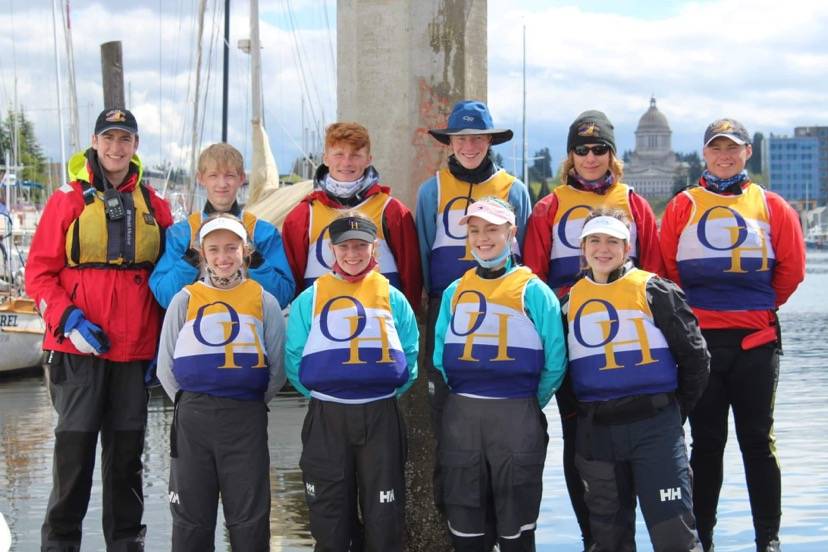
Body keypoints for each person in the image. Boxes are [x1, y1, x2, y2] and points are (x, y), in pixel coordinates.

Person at [25, 107, 173, 551]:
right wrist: (67, 318)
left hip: (134, 354)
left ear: (136, 146)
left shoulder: (156, 206)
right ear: (94, 142)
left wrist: (162, 344)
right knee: (73, 461)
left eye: (124, 139)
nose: (116, 147)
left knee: (127, 464)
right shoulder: (67, 200)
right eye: (108, 138)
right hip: (78, 351)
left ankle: (126, 545)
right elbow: (38, 274)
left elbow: (170, 278)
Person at [660, 119, 806, 552]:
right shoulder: (683, 205)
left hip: (756, 343)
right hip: (700, 346)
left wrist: (755, 306)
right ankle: (702, 538)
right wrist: (696, 320)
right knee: (706, 445)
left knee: (758, 442)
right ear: (704, 154)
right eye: (716, 148)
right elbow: (665, 272)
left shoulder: (772, 205)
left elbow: (792, 270)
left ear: (747, 152)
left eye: (733, 148)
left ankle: (768, 539)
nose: (724, 156)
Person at [522, 109, 663, 550]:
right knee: (578, 437)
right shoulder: (548, 207)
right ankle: (592, 537)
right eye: (581, 149)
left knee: (632, 435)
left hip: (629, 340)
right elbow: (533, 279)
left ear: (611, 154)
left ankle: (627, 534)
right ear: (570, 155)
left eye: (599, 148)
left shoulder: (634, 203)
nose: (590, 157)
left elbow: (656, 273)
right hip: (573, 337)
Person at [563, 208, 709, 552]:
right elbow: (562, 374)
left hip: (655, 428)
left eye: (612, 241)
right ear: (583, 248)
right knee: (609, 540)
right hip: (598, 434)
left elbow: (696, 359)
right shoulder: (567, 303)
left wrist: (673, 412)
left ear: (627, 247)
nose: (603, 249)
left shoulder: (655, 290)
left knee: (675, 537)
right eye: (594, 240)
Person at [416, 100, 532, 512]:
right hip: (449, 313)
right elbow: (423, 251)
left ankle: (504, 518)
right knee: (447, 417)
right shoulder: (431, 191)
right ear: (450, 143)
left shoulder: (514, 190)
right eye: (461, 138)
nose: (469, 146)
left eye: (478, 138)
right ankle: (456, 519)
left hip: (505, 313)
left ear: (489, 141)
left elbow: (525, 253)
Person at [432, 197, 566, 552]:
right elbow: (440, 358)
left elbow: (555, 362)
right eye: (475, 231)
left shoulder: (535, 292)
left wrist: (524, 402)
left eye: (492, 229)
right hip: (463, 418)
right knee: (466, 529)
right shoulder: (454, 292)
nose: (482, 238)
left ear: (511, 232)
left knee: (516, 530)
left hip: (517, 417)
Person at [284, 211, 419, 551]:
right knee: (330, 524)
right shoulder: (310, 299)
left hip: (380, 416)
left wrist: (376, 391)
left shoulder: (393, 297)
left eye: (360, 246)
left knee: (384, 522)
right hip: (327, 418)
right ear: (331, 249)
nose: (352, 254)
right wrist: (329, 394)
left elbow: (410, 356)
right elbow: (294, 360)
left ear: (375, 248)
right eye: (344, 246)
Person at [156, 214, 286, 551]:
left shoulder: (264, 301)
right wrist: (192, 403)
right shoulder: (184, 299)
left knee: (249, 521)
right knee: (191, 522)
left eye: (231, 248)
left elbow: (277, 368)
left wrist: (248, 401)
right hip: (193, 421)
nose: (223, 257)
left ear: (245, 252)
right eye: (214, 249)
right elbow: (165, 367)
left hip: (246, 419)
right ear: (202, 253)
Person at [282, 122, 422, 308]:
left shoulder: (392, 211)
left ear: (368, 159)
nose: (347, 162)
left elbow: (411, 275)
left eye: (355, 155)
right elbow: (293, 281)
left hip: (380, 318)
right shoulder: (302, 215)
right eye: (339, 154)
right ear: (325, 158)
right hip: (322, 319)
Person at [150, 142, 294, 310]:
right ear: (200, 178)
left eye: (229, 175)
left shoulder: (263, 233)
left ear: (242, 178)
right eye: (213, 175)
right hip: (198, 323)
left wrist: (253, 258)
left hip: (249, 323)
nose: (222, 183)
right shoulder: (181, 234)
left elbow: (283, 296)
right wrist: (192, 258)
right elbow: (165, 296)